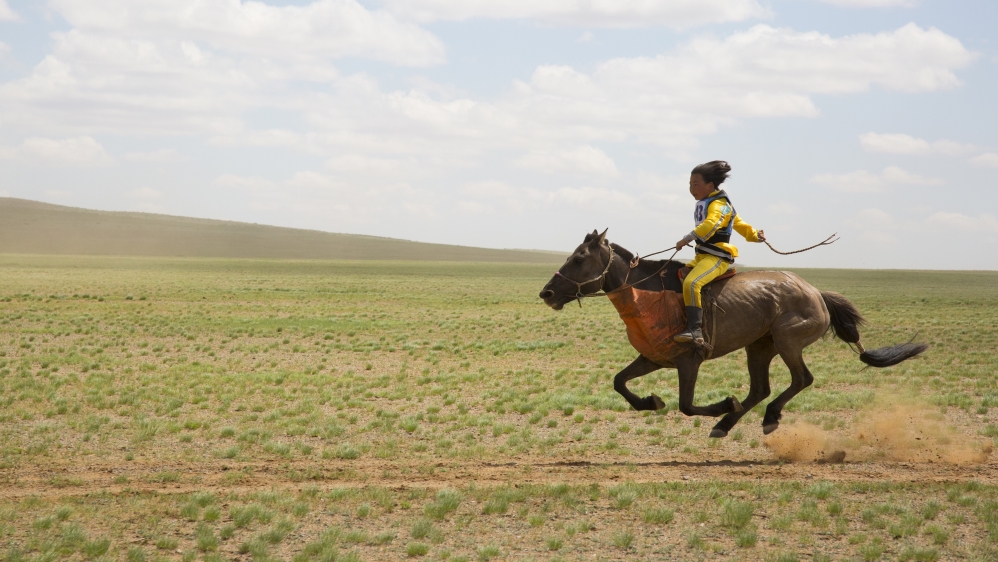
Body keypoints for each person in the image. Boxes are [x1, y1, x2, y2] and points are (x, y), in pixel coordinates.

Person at [673, 161, 765, 343]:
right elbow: (740, 224)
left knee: (692, 283)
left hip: (716, 257)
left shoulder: (721, 205)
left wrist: (687, 238)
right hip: (701, 256)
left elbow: (712, 224)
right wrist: (754, 234)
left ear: (710, 185)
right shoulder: (707, 202)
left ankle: (695, 331)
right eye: (690, 184)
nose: (692, 189)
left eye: (696, 184)